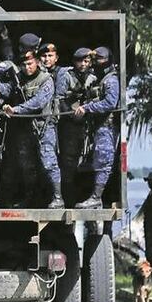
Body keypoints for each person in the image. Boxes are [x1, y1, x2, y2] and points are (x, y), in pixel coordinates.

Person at [0, 49, 58, 207]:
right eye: (23, 65)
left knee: (48, 163)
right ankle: (30, 198)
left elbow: (38, 103)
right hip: (24, 129)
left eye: (30, 63)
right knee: (26, 165)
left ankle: (58, 198)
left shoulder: (46, 79)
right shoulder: (18, 79)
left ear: (37, 62)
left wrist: (15, 109)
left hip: (43, 128)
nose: (27, 67)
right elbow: (7, 89)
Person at [74, 46, 120, 209]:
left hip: (106, 127)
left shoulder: (111, 80)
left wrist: (87, 108)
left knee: (103, 162)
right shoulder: (98, 79)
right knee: (94, 162)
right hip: (97, 127)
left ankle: (96, 197)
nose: (95, 62)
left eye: (98, 59)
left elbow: (110, 103)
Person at [56, 48, 95, 205]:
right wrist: (71, 114)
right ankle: (68, 199)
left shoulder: (93, 78)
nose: (83, 64)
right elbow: (59, 99)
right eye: (80, 61)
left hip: (88, 125)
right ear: (74, 61)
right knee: (68, 164)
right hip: (70, 125)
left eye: (86, 61)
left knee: (89, 162)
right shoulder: (66, 76)